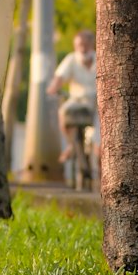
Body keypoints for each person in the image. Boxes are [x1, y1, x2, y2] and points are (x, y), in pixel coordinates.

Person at [47, 30, 99, 170]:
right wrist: (53, 87)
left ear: (91, 44)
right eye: (78, 45)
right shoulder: (71, 59)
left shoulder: (100, 58)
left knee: (99, 142)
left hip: (96, 104)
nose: (82, 48)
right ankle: (71, 144)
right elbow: (60, 77)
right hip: (77, 101)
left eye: (85, 44)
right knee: (63, 113)